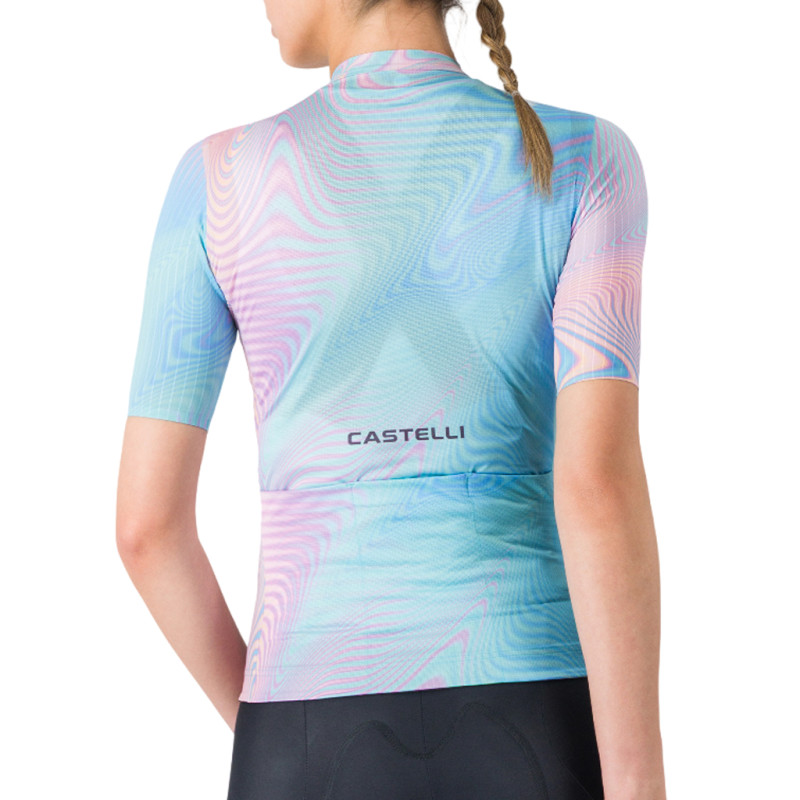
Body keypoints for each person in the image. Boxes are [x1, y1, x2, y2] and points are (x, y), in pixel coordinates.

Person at [116, 0, 667, 798]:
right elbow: (597, 489)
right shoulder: (584, 158)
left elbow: (146, 529)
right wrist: (638, 781)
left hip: (303, 726)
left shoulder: (217, 178)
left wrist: (276, 731)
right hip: (535, 715)